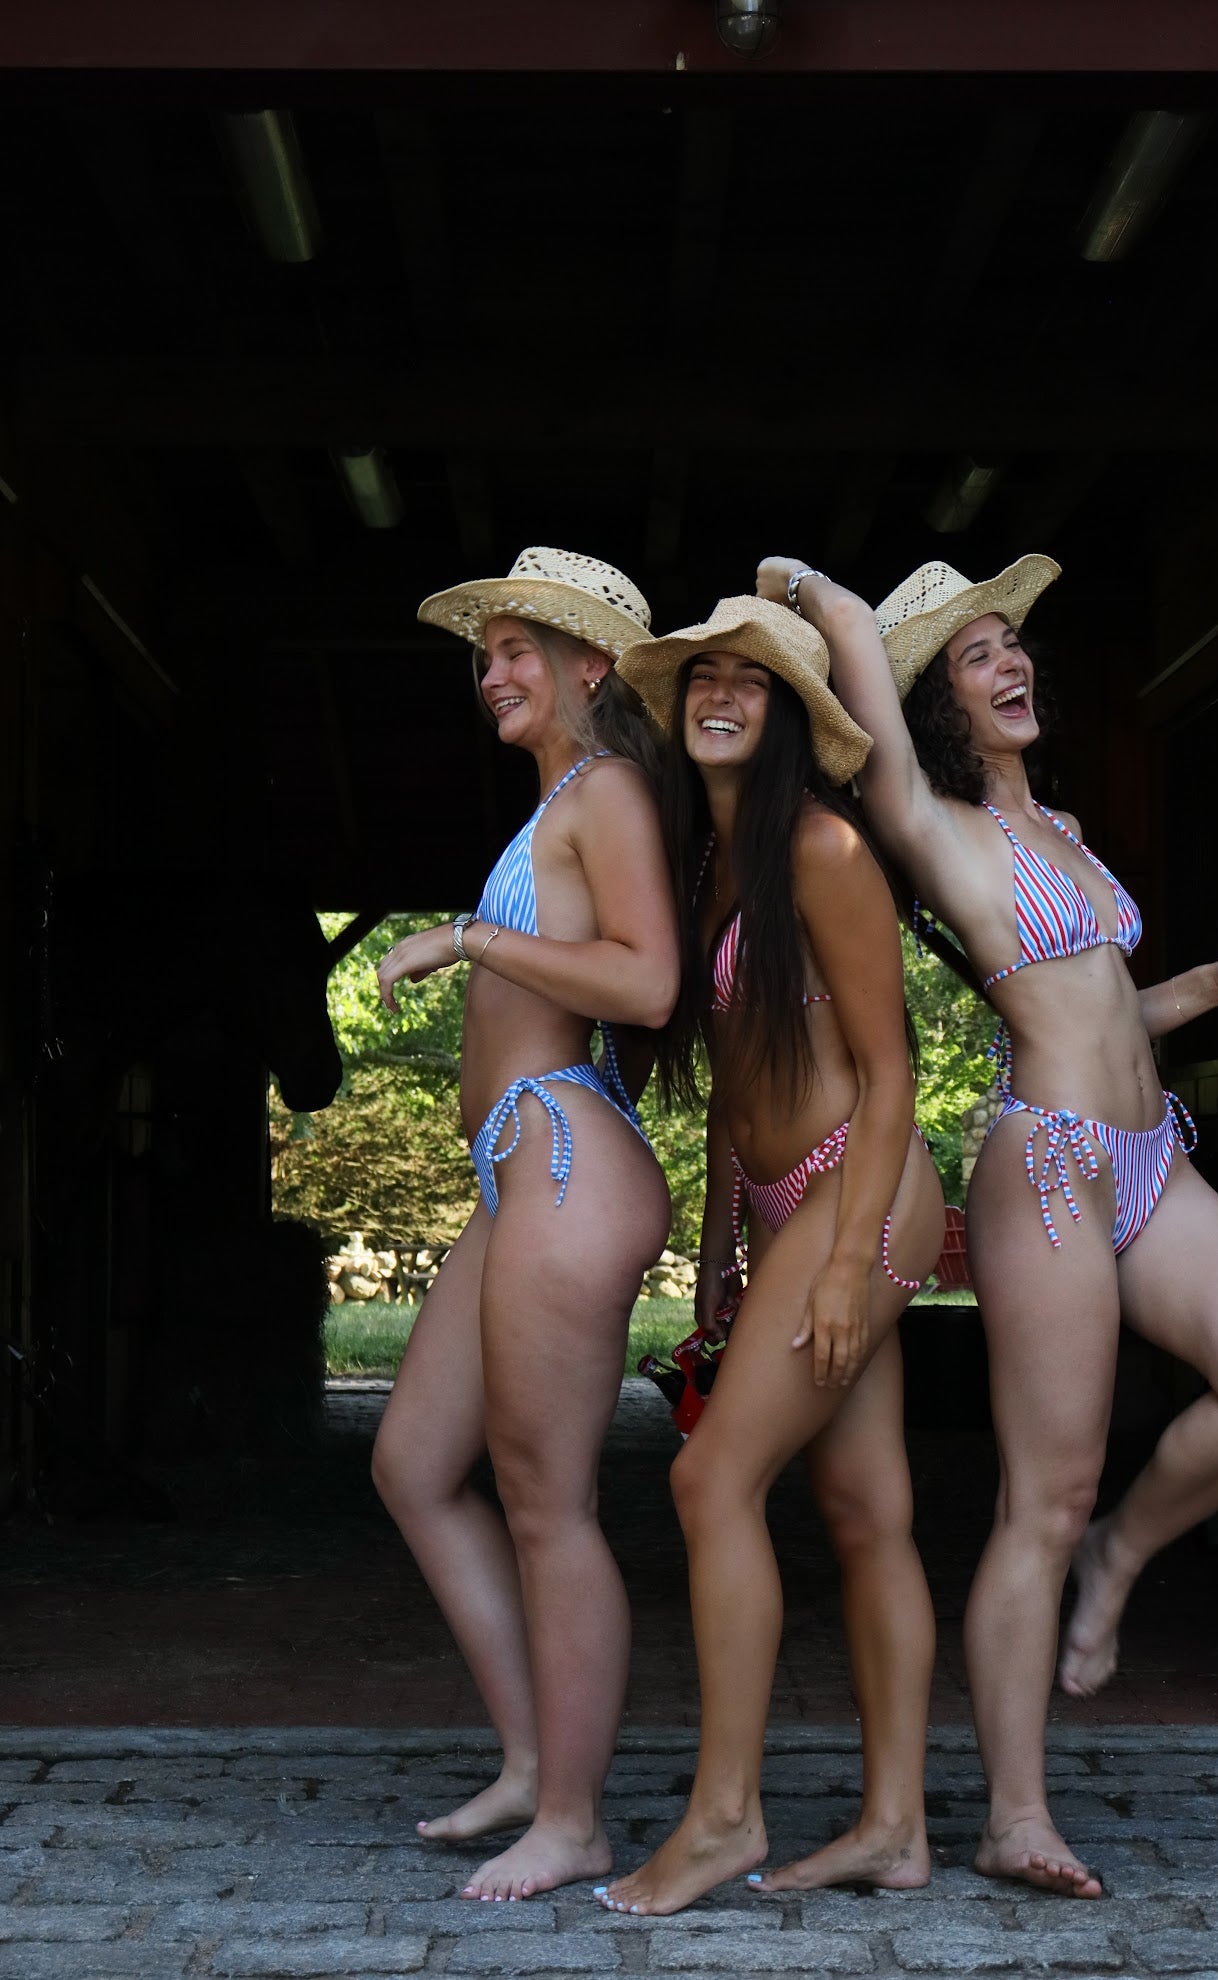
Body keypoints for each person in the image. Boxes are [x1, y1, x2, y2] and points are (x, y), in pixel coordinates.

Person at [759, 552, 1218, 1899]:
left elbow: (1105, 1004)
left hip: (1151, 1159)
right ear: (933, 703)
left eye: (1016, 646)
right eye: (976, 655)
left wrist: (1202, 985)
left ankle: (1128, 1555)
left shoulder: (1062, 825)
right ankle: (1017, 1814)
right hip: (1052, 1165)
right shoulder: (925, 820)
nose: (1013, 667)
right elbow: (848, 634)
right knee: (1044, 1500)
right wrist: (797, 583)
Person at [594, 595, 945, 1915]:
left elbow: (892, 1071)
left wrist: (848, 1260)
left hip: (867, 1184)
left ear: (792, 712)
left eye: (749, 680)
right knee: (866, 1513)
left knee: (708, 1482)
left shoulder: (825, 847)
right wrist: (719, 1253)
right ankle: (896, 1828)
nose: (718, 695)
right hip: (783, 1206)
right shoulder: (716, 862)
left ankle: (727, 1816)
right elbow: (740, 1089)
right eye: (702, 681)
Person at [372, 548, 680, 1901]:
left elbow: (650, 980)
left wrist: (468, 942)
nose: (488, 673)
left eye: (512, 650)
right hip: (518, 1167)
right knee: (412, 1461)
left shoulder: (606, 790)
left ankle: (574, 1816)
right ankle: (525, 1759)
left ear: (587, 666)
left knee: (548, 1504)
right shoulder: (552, 800)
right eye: (482, 655)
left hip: (567, 1155)